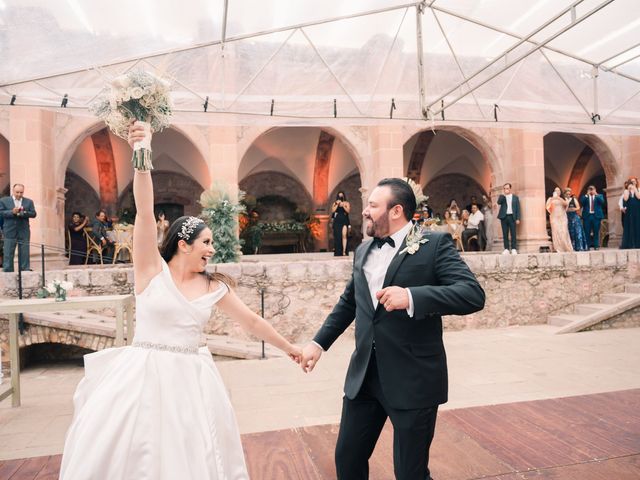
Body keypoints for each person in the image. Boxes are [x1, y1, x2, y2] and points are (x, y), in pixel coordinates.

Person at [59, 122, 302, 479]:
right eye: (206, 242)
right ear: (183, 244)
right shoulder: (150, 271)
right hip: (142, 375)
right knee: (139, 451)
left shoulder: (213, 286)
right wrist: (142, 155)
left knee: (189, 453)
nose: (212, 249)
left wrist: (290, 348)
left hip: (192, 380)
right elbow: (144, 212)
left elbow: (252, 321)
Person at [300, 178, 485, 480]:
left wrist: (412, 296)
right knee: (347, 460)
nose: (365, 212)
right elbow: (350, 302)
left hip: (413, 378)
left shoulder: (434, 244)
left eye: (373, 205)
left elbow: (472, 294)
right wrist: (318, 344)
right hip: (364, 377)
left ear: (396, 210)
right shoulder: (362, 251)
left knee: (410, 473)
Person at [0, 183, 37, 272]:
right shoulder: (3, 200)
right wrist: (11, 212)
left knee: (24, 251)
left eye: (21, 192)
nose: (19, 194)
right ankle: (8, 270)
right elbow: (1, 212)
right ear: (13, 191)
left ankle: (25, 269)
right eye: (17, 192)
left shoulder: (29, 202)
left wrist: (24, 213)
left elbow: (34, 213)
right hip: (9, 230)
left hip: (24, 230)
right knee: (8, 251)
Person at [545, 187, 573, 253]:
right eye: (556, 190)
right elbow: (547, 207)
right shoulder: (550, 199)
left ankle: (566, 247)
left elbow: (566, 204)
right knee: (556, 231)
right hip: (554, 217)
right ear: (554, 191)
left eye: (559, 190)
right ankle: (558, 248)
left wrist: (558, 198)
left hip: (562, 217)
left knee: (563, 231)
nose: (558, 192)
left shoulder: (562, 199)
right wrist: (553, 199)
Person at [497, 183, 521, 255]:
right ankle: (506, 249)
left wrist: (518, 218)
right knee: (505, 233)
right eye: (504, 188)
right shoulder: (502, 197)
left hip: (512, 217)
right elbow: (498, 202)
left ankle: (513, 248)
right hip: (504, 217)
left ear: (510, 189)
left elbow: (518, 208)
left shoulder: (515, 198)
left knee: (513, 233)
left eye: (507, 188)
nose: (506, 190)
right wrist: (503, 195)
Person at [579, 185, 605, 250]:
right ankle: (587, 246)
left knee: (596, 231)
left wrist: (596, 194)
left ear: (595, 189)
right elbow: (582, 202)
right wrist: (586, 195)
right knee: (587, 231)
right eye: (590, 189)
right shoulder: (585, 197)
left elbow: (602, 202)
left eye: (592, 189)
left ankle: (596, 246)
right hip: (587, 216)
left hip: (596, 216)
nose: (591, 190)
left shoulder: (599, 196)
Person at [621, 182, 640, 249]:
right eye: (629, 185)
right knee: (629, 225)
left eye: (632, 185)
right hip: (629, 211)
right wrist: (628, 191)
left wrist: (634, 189)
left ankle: (638, 244)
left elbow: (639, 197)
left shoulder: (637, 189)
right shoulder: (626, 191)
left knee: (637, 225)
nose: (631, 186)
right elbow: (625, 199)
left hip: (637, 210)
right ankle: (629, 244)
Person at [331, 191, 351, 256]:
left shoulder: (346, 203)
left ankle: (344, 251)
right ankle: (338, 251)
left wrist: (344, 205)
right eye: (339, 196)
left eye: (341, 196)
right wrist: (337, 204)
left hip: (344, 220)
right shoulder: (335, 203)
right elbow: (333, 211)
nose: (340, 197)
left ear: (344, 196)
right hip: (337, 221)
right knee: (338, 236)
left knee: (344, 235)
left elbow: (348, 211)